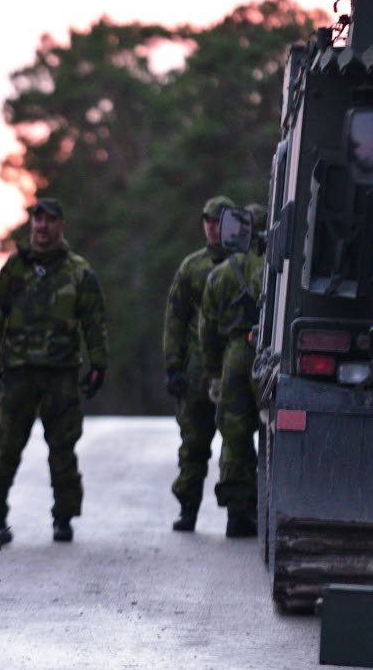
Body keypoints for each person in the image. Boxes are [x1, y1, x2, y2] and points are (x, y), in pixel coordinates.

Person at [0, 197, 108, 544]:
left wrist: (99, 364)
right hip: (19, 372)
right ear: (31, 224)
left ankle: (63, 518)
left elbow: (94, 322)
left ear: (60, 226)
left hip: (61, 373)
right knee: (6, 446)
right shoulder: (15, 268)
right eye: (38, 220)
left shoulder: (78, 270)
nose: (43, 226)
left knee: (62, 449)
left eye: (50, 220)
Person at [162, 195, 236, 532]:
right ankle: (188, 507)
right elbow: (175, 318)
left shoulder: (243, 265)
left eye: (218, 221)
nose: (212, 227)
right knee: (194, 441)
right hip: (196, 370)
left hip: (233, 364)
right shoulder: (191, 267)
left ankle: (238, 509)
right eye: (207, 221)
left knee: (235, 442)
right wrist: (173, 367)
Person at [199, 202, 267, 539]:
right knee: (272, 431)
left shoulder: (220, 273)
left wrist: (213, 372)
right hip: (267, 353)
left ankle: (236, 514)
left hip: (233, 357)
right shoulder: (273, 267)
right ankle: (266, 506)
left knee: (234, 436)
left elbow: (207, 330)